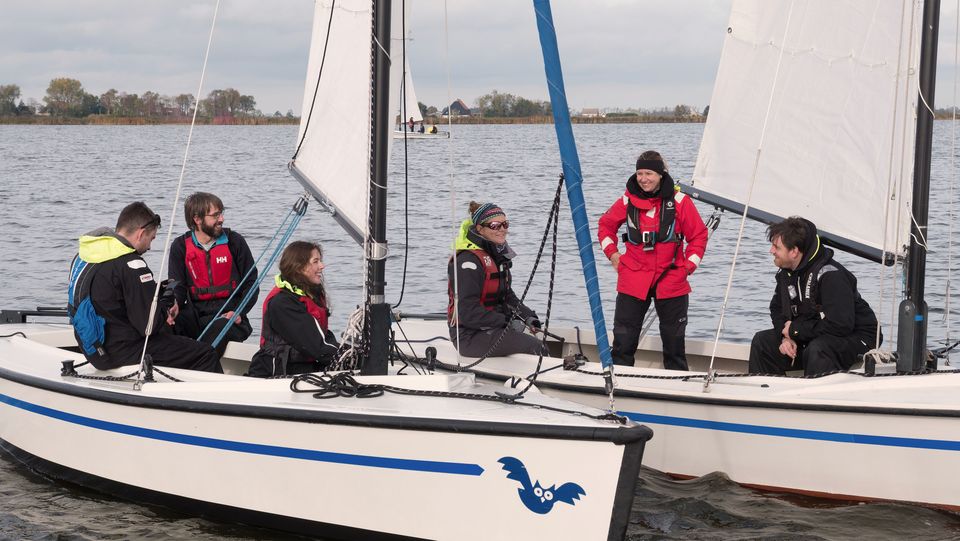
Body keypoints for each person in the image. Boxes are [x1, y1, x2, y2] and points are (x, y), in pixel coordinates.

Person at [67, 202, 221, 372]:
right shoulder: (132, 264)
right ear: (141, 234)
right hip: (121, 352)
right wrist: (165, 306)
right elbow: (148, 326)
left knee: (175, 338)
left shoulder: (84, 257)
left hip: (93, 348)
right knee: (205, 354)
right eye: (151, 238)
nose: (149, 246)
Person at [597, 150, 708, 370]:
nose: (643, 179)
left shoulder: (679, 201)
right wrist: (613, 254)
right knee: (623, 343)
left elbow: (699, 236)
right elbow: (605, 226)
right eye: (639, 173)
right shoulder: (627, 200)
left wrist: (688, 267)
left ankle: (678, 389)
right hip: (633, 277)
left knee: (674, 346)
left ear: (660, 174)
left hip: (671, 278)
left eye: (649, 173)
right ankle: (620, 384)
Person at [748, 217, 882, 376]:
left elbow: (840, 325)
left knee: (818, 350)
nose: (771, 251)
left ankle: (813, 397)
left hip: (858, 336)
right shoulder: (788, 272)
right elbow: (777, 309)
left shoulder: (831, 276)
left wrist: (795, 331)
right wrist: (786, 337)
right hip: (815, 331)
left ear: (794, 251)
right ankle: (769, 393)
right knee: (762, 343)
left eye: (776, 247)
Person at [447, 201, 546, 358]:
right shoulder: (467, 263)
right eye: (495, 225)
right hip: (469, 336)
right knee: (535, 346)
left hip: (493, 328)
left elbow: (507, 296)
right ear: (480, 229)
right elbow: (467, 313)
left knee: (542, 340)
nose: (502, 230)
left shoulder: (496, 256)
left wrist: (528, 316)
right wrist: (506, 321)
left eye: (505, 224)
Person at [168, 192, 258, 358]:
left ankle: (199, 368)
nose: (222, 219)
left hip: (230, 315)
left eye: (222, 213)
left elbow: (251, 284)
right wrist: (174, 304)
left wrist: (238, 311)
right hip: (195, 314)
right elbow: (177, 288)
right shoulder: (180, 246)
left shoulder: (235, 242)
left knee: (218, 328)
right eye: (216, 215)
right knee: (165, 325)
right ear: (197, 219)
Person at [248, 241, 339, 377]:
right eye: (315, 261)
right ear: (299, 267)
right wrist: (347, 357)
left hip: (304, 367)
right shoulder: (282, 303)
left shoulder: (310, 295)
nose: (322, 266)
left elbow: (322, 335)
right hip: (278, 372)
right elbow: (316, 345)